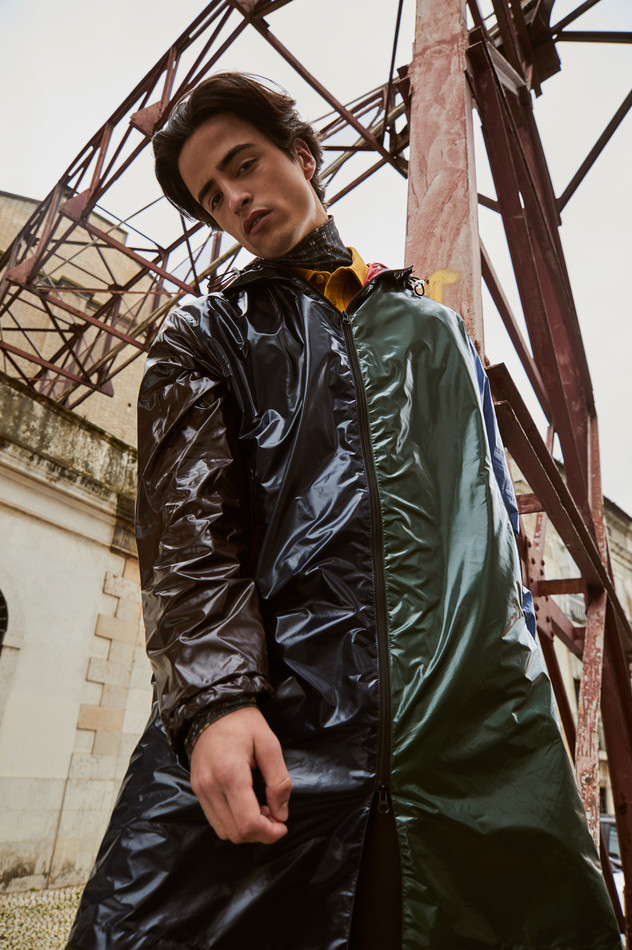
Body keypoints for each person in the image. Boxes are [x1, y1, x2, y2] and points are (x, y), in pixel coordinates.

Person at [67, 72, 621, 950]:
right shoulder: (207, 335)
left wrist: (515, 724)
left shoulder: (436, 332)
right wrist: (212, 704)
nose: (234, 199)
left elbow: (488, 548)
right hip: (280, 725)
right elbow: (188, 539)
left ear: (302, 154)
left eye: (243, 165)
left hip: (464, 737)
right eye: (211, 196)